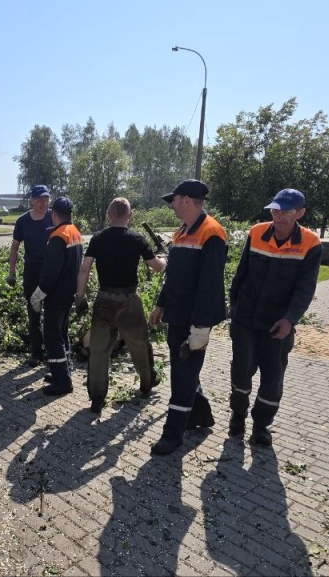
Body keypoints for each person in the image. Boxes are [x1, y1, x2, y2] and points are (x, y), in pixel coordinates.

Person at [228, 189, 322, 446]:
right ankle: (237, 415)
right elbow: (241, 272)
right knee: (241, 369)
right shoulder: (257, 232)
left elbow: (306, 288)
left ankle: (261, 425)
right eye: (275, 210)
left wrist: (290, 319)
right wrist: (233, 307)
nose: (278, 216)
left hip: (277, 323)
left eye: (285, 212)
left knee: (273, 375)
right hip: (246, 318)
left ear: (300, 213)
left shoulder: (310, 243)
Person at [148, 180, 228, 455]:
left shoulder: (212, 233)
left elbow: (211, 286)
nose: (171, 205)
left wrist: (201, 328)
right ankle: (199, 415)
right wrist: (161, 304)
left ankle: (172, 435)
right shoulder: (182, 232)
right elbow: (174, 275)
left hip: (194, 320)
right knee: (185, 371)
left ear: (187, 200)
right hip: (177, 315)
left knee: (182, 375)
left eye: (174, 199)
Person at [77, 197, 166, 413]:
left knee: (99, 350)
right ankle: (146, 384)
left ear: (109, 215)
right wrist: (165, 259)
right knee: (139, 345)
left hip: (104, 300)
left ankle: (97, 397)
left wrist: (80, 296)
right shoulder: (137, 238)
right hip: (129, 300)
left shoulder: (98, 239)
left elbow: (84, 268)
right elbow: (156, 267)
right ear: (129, 215)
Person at [30, 196, 84, 396]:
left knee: (53, 336)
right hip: (69, 292)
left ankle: (62, 382)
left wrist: (38, 295)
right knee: (62, 333)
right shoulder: (75, 232)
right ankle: (63, 371)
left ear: (54, 214)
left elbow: (50, 272)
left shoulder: (58, 236)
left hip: (56, 294)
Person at [8, 185, 54, 367]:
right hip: (32, 271)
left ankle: (53, 352)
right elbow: (15, 246)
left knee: (51, 312)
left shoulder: (54, 216)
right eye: (40, 199)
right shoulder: (23, 221)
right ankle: (36, 352)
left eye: (46, 199)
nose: (44, 203)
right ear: (32, 200)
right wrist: (12, 272)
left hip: (51, 270)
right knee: (33, 311)